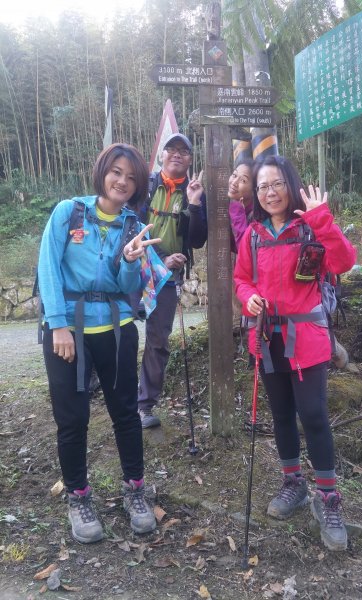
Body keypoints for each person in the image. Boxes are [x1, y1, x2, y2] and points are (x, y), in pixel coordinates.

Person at [38, 143, 164, 544]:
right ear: (102, 172)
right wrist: (57, 325)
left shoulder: (133, 227)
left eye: (131, 177)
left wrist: (129, 261)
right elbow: (48, 267)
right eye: (116, 172)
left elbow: (128, 288)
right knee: (72, 418)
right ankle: (78, 496)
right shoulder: (69, 212)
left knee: (126, 413)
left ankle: (135, 491)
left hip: (116, 328)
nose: (122, 181)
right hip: (68, 330)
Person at [234, 155, 356, 551]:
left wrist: (322, 218)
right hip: (267, 338)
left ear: (291, 185)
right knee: (282, 415)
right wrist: (249, 298)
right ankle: (293, 484)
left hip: (307, 338)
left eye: (277, 184)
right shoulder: (252, 234)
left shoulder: (310, 227)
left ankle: (329, 498)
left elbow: (344, 261)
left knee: (315, 416)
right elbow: (242, 279)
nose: (270, 192)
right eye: (263, 186)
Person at [137, 133, 207, 429]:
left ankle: (144, 405)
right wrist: (156, 262)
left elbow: (197, 240)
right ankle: (108, 393)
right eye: (172, 149)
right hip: (135, 268)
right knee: (117, 331)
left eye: (184, 151)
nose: (177, 154)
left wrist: (194, 205)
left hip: (168, 277)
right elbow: (129, 226)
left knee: (157, 340)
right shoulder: (146, 185)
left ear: (190, 159)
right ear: (162, 155)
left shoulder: (195, 191)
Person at [228, 158, 255, 253]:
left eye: (243, 180)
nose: (234, 182)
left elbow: (246, 252)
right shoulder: (230, 205)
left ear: (254, 190)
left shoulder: (258, 216)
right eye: (234, 175)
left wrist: (238, 213)